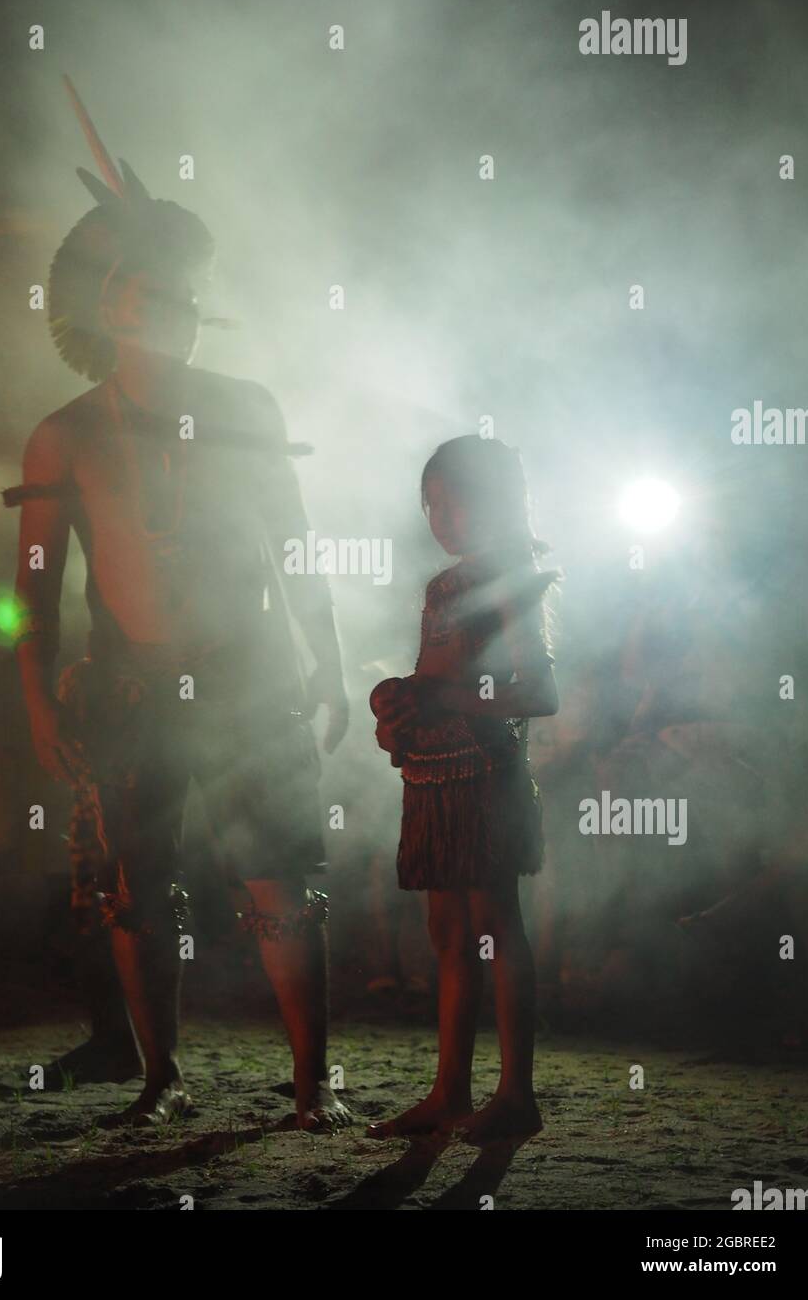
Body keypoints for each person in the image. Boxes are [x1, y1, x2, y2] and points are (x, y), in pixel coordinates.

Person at [5, 80, 350, 1128]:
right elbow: (29, 591)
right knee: (135, 888)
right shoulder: (64, 434)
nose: (181, 316)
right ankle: (159, 1079)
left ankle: (309, 1082)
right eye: (157, 296)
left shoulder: (245, 409)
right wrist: (38, 698)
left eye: (191, 299)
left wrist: (324, 662)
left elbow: (295, 549)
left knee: (279, 883)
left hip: (249, 682)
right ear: (113, 308)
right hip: (130, 687)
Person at [368, 435, 559, 1142]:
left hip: (484, 777)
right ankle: (449, 1091)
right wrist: (399, 714)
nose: (442, 515)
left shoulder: (512, 576)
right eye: (431, 502)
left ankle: (515, 1096)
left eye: (458, 499)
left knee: (493, 930)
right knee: (448, 933)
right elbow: (435, 684)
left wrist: (441, 698)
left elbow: (537, 690)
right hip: (433, 777)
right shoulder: (442, 586)